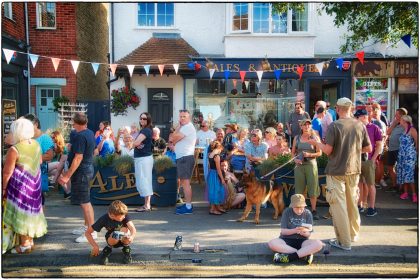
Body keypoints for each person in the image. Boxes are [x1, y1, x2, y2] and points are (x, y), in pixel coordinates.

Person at [308, 97, 371, 251]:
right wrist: (353, 151)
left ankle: (344, 241)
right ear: (351, 108)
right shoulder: (360, 125)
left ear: (337, 109)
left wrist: (316, 143)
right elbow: (368, 149)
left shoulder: (334, 126)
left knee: (339, 206)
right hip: (354, 170)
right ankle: (353, 234)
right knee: (352, 203)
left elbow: (328, 150)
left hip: (336, 170)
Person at [2, 118, 48, 254]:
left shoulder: (14, 149)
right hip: (34, 183)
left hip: (20, 185)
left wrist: (3, 188)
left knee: (21, 213)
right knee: (31, 211)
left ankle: (25, 244)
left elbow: (7, 172)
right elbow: (39, 161)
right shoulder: (36, 144)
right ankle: (29, 241)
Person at [57, 112, 96, 243]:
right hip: (87, 169)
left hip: (82, 171)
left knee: (85, 202)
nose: (72, 124)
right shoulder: (90, 132)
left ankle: (92, 232)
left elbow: (78, 158)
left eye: (72, 122)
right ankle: (87, 227)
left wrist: (67, 176)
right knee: (84, 201)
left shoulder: (80, 136)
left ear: (75, 122)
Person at [268, 194, 323, 264]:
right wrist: (295, 230)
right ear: (292, 206)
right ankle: (304, 254)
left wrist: (304, 233)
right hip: (286, 240)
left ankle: (290, 257)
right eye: (296, 208)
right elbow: (283, 231)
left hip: (303, 241)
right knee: (272, 243)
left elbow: (308, 234)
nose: (299, 210)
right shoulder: (287, 212)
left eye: (301, 208)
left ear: (304, 206)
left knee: (319, 244)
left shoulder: (308, 213)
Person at [86, 200, 136, 265]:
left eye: (124, 215)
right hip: (112, 239)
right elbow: (87, 233)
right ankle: (108, 249)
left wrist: (132, 237)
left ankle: (126, 249)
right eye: (122, 216)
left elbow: (132, 228)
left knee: (125, 229)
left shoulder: (124, 214)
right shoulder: (104, 219)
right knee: (115, 234)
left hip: (124, 239)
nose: (124, 216)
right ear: (112, 215)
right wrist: (95, 246)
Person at [354, 109, 383, 217]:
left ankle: (372, 207)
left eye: (357, 117)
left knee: (370, 184)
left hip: (368, 160)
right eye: (356, 117)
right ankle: (360, 204)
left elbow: (379, 145)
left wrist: (373, 159)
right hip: (357, 160)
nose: (356, 119)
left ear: (364, 117)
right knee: (359, 183)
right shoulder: (356, 127)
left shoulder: (374, 127)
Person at [291, 119, 322, 220]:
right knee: (299, 189)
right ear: (301, 126)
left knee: (313, 188)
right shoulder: (297, 138)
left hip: (311, 164)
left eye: (308, 125)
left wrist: (309, 154)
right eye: (304, 125)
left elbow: (320, 153)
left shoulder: (315, 137)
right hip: (299, 165)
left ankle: (314, 210)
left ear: (311, 126)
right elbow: (293, 153)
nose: (306, 127)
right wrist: (295, 159)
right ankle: (298, 211)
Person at [170, 109, 197, 215]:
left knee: (186, 183)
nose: (181, 119)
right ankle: (187, 205)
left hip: (185, 158)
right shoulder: (183, 127)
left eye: (184, 117)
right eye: (180, 116)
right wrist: (178, 128)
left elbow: (173, 138)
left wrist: (176, 132)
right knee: (184, 183)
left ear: (188, 118)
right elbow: (173, 139)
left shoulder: (188, 127)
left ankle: (189, 207)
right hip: (182, 157)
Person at [23, 114, 54, 203]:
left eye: (28, 125)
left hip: (38, 174)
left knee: (38, 201)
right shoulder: (26, 137)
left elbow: (49, 156)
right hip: (26, 174)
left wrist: (30, 158)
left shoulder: (45, 138)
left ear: (36, 124)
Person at [133, 112, 154, 212]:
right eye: (141, 118)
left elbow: (136, 143)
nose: (142, 120)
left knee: (145, 181)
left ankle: (147, 205)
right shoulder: (144, 130)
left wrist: (129, 143)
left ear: (148, 120)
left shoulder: (146, 130)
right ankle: (146, 204)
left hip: (144, 159)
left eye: (144, 119)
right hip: (142, 158)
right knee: (143, 181)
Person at [385, 108, 408, 193]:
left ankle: (401, 188)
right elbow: (387, 132)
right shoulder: (394, 124)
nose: (395, 116)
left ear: (402, 115)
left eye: (397, 114)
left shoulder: (405, 125)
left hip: (399, 150)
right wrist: (394, 123)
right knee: (390, 167)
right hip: (391, 149)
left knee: (400, 169)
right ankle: (395, 185)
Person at [397, 115, 418, 202]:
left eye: (401, 120)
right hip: (402, 155)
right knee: (403, 174)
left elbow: (417, 142)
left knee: (409, 175)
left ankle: (414, 194)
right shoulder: (403, 130)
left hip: (409, 156)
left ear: (405, 121)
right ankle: (405, 193)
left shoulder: (412, 130)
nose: (399, 121)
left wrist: (416, 153)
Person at [206, 141, 227, 215]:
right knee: (217, 191)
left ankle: (216, 207)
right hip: (215, 174)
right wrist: (222, 179)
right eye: (221, 149)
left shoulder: (210, 155)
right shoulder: (217, 156)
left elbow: (209, 166)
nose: (221, 151)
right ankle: (213, 209)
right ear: (219, 148)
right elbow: (218, 169)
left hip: (211, 174)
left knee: (212, 190)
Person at [49, 130, 71, 198]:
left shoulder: (63, 148)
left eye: (53, 137)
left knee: (60, 173)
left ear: (58, 138)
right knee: (58, 164)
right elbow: (48, 160)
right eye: (51, 137)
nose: (52, 139)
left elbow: (64, 159)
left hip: (55, 169)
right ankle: (53, 181)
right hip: (45, 166)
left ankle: (68, 192)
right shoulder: (50, 147)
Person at [371, 103, 388, 189]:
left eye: (376, 112)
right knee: (378, 164)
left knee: (377, 164)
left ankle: (377, 181)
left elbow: (383, 135)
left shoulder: (378, 123)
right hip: (380, 145)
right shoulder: (382, 122)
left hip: (377, 146)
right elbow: (386, 134)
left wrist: (383, 142)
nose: (374, 114)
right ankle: (379, 180)